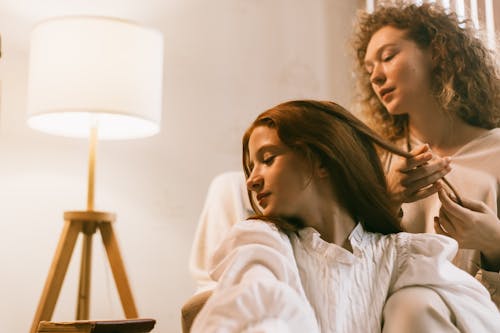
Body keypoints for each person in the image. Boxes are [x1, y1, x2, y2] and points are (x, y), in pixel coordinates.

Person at [190, 100, 500, 332]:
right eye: (251, 167)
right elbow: (252, 301)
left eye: (267, 159)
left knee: (416, 304)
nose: (251, 180)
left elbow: (479, 317)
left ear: (322, 161)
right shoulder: (264, 244)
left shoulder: (403, 256)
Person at [352, 2, 500, 307]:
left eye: (388, 57)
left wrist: (495, 243)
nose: (376, 77)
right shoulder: (373, 158)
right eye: (369, 70)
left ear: (436, 53)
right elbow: (346, 268)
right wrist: (387, 200)